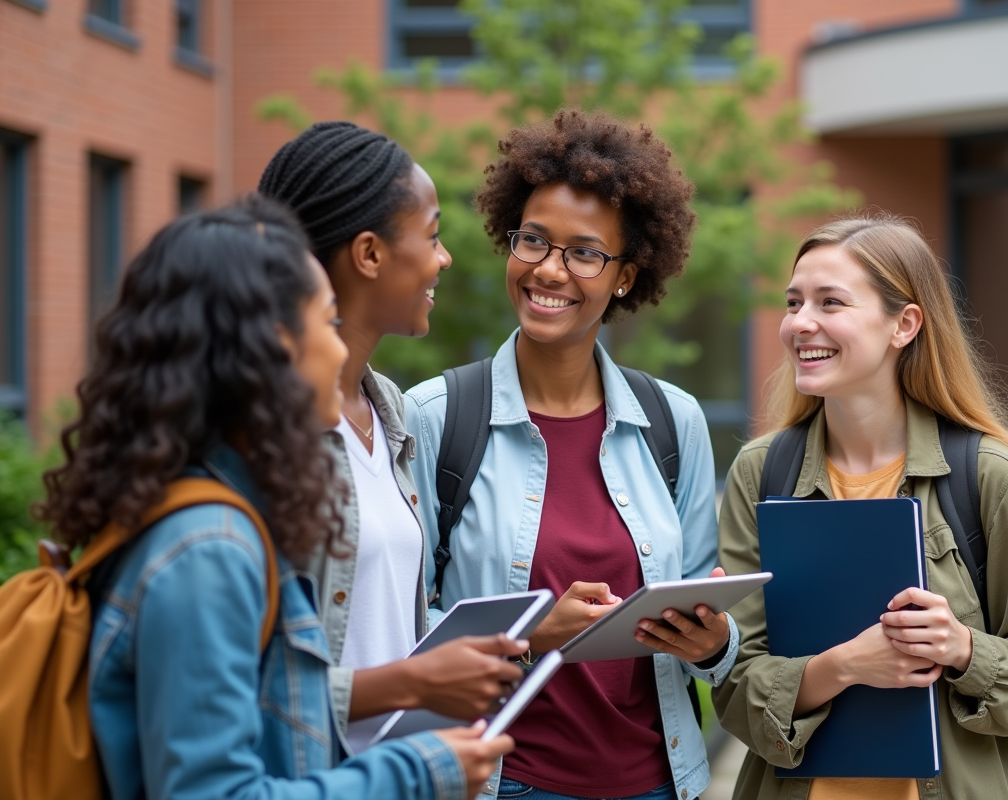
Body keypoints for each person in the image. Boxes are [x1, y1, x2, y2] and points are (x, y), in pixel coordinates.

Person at [38, 197, 511, 800]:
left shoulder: (216, 510)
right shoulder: (210, 548)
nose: (341, 349)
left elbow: (273, 703)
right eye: (325, 321)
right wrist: (419, 771)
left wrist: (413, 689)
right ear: (267, 351)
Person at [404, 109, 738, 800]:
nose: (549, 270)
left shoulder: (674, 422)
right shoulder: (435, 417)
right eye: (533, 241)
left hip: (660, 782)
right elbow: (397, 630)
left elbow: (713, 628)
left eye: (584, 252)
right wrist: (529, 633)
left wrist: (714, 644)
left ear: (624, 276)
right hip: (503, 781)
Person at [713, 215, 1008, 800]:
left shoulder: (993, 475)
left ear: (904, 324)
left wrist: (963, 649)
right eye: (793, 302)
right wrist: (843, 666)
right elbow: (734, 684)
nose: (800, 323)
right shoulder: (761, 473)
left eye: (831, 302)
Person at [258, 121, 527, 755]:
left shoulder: (392, 416)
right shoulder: (266, 433)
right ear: (370, 254)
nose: (444, 258)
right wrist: (412, 682)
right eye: (431, 236)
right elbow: (237, 691)